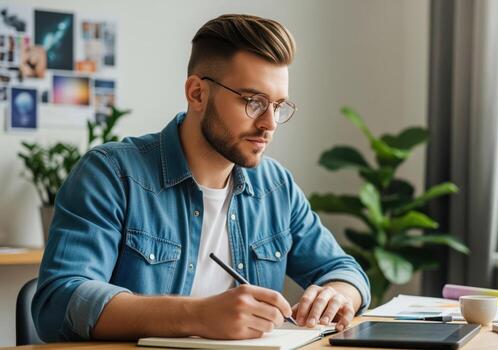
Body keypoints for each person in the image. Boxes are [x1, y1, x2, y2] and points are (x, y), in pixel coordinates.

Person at [32, 14, 370, 342]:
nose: (269, 124)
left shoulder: (276, 187)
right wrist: (196, 316)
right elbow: (60, 301)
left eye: (278, 106)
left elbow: (344, 269)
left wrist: (340, 294)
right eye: (254, 102)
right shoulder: (111, 174)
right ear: (197, 93)